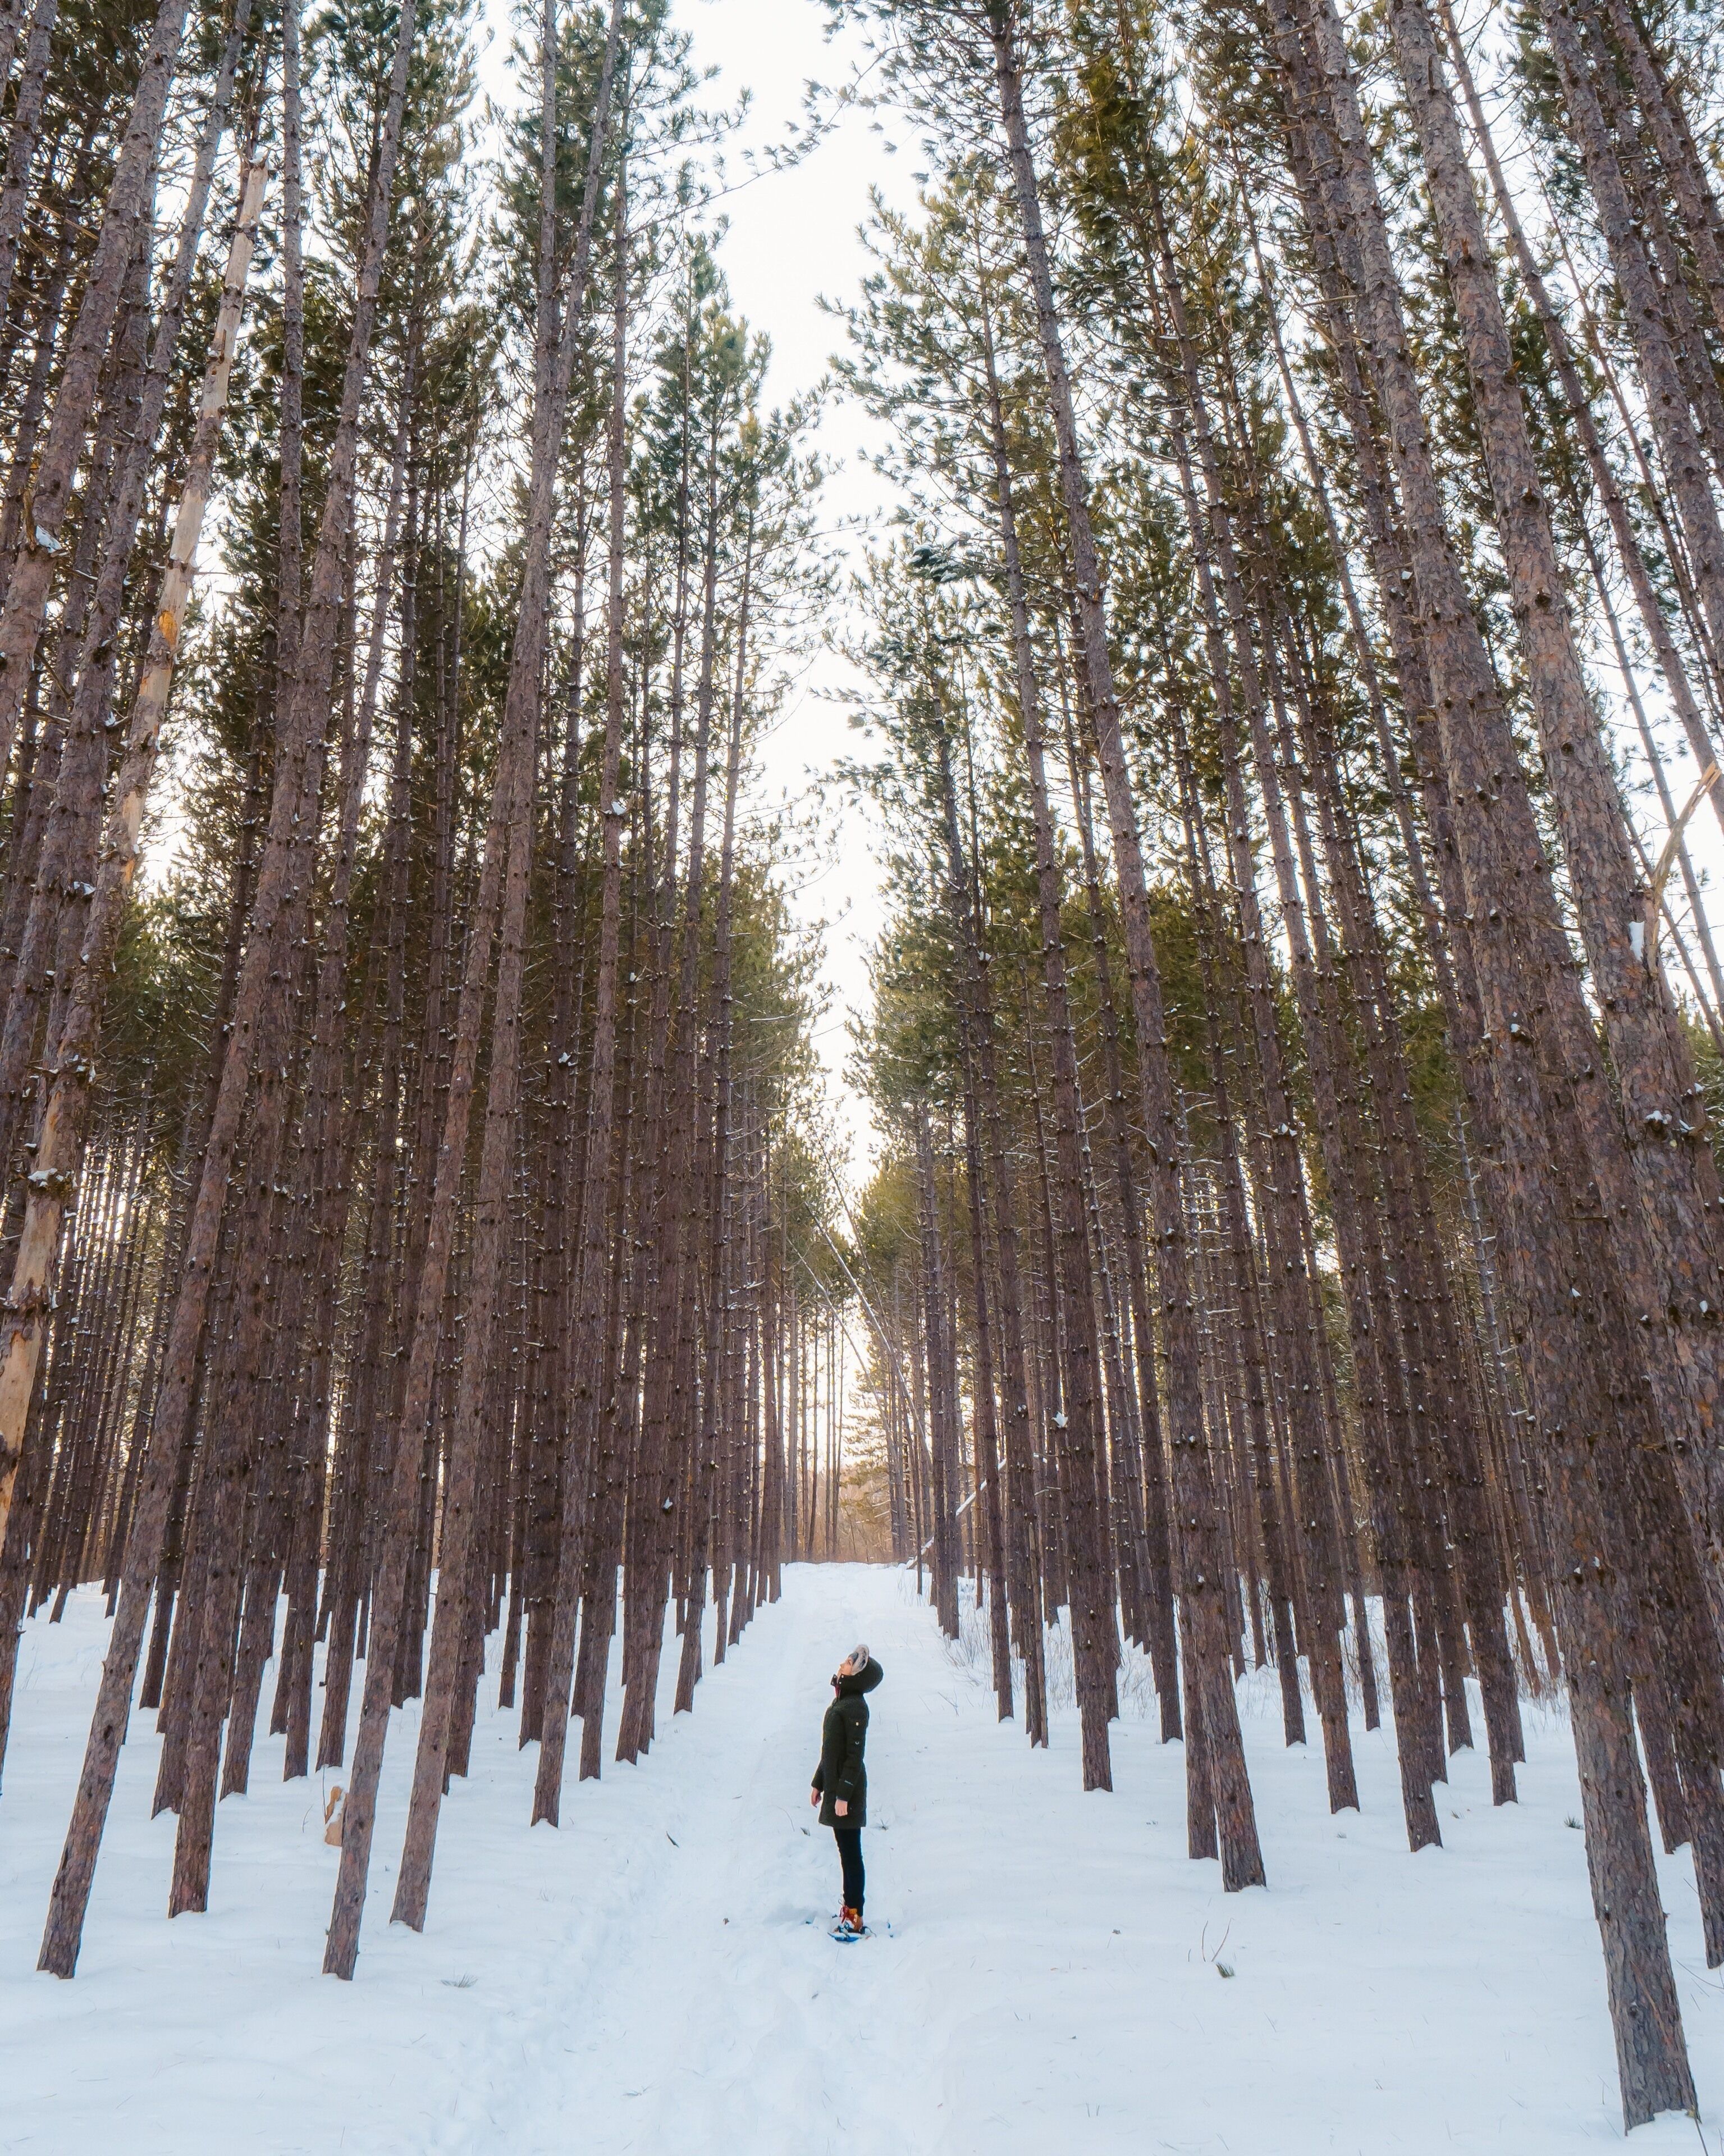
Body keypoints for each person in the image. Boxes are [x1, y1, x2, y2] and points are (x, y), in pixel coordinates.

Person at [810, 1642, 883, 1939]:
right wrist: (819, 1782)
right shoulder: (843, 1701)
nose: (843, 1663)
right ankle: (850, 1909)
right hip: (838, 1789)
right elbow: (831, 1752)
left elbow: (854, 1757)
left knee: (852, 1855)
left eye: (850, 1662)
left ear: (857, 1675)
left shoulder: (855, 1707)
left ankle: (854, 1917)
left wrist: (842, 1796)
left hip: (848, 1795)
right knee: (846, 1853)